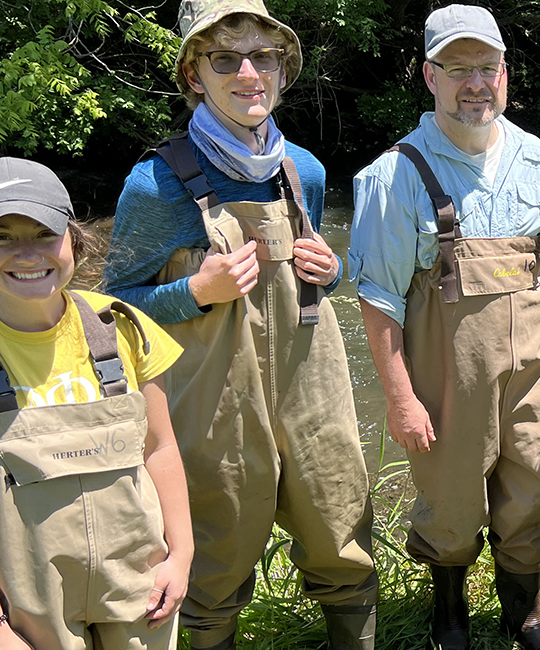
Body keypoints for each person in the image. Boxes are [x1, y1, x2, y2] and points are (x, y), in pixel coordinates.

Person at [104, 1, 378, 648]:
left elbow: (312, 277)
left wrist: (329, 268)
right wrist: (195, 291)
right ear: (195, 75)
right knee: (216, 554)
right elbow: (113, 306)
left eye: (265, 56)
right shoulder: (152, 185)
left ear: (285, 69)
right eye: (226, 58)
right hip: (211, 393)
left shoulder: (301, 170)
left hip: (313, 378)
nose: (248, 72)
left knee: (340, 525)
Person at [349, 5, 540, 650]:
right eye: (458, 69)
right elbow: (379, 299)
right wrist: (399, 396)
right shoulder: (395, 175)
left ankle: (522, 616)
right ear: (430, 76)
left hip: (534, 364)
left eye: (487, 68)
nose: (476, 83)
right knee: (451, 499)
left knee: (535, 484)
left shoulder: (537, 159)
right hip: (449, 371)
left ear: (505, 73)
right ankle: (448, 616)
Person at [0, 157, 192, 649]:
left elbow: (160, 450)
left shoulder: (124, 327)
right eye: (1, 237)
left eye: (44, 233)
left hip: (138, 586)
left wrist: (180, 556)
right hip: (18, 606)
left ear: (74, 238)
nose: (28, 255)